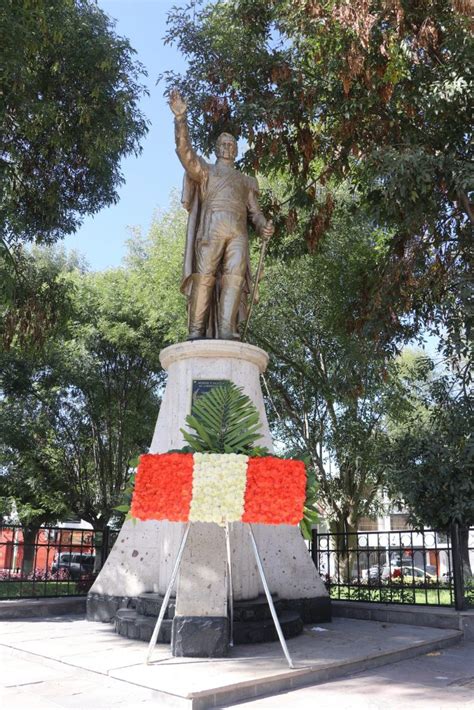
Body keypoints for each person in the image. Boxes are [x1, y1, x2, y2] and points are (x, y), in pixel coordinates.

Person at [169, 89, 274, 340]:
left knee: (234, 278)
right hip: (211, 227)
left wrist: (262, 226)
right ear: (216, 148)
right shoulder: (205, 170)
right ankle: (196, 331)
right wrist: (181, 119)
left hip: (238, 232)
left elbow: (255, 213)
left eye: (231, 145)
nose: (227, 148)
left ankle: (227, 330)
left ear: (236, 150)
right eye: (223, 144)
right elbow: (185, 154)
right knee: (204, 276)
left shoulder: (246, 180)